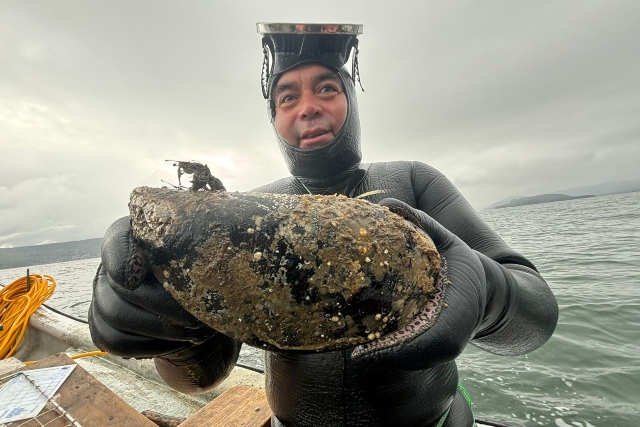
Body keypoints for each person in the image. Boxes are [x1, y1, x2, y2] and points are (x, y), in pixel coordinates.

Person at [88, 23, 559, 427]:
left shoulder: (412, 182)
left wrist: (489, 294)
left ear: (351, 100)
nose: (307, 107)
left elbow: (535, 318)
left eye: (327, 88)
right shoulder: (248, 217)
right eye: (286, 97)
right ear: (274, 118)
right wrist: (168, 336)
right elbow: (201, 377)